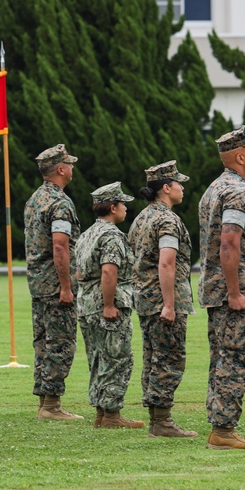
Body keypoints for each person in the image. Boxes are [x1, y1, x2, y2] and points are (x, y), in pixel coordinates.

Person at [198, 125, 245, 450]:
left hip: (215, 289)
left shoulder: (214, 188)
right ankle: (223, 431)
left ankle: (219, 426)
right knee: (237, 358)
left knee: (221, 358)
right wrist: (236, 291)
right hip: (232, 291)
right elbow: (229, 242)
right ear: (240, 155)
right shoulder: (237, 191)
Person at [128, 161, 198, 438]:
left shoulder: (142, 218)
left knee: (153, 357)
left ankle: (157, 417)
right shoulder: (167, 219)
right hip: (163, 300)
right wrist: (169, 305)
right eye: (179, 183)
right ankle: (162, 422)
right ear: (166, 188)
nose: (182, 188)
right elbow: (166, 264)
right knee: (169, 358)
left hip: (145, 298)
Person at [74, 182, 144, 430]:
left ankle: (102, 414)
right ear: (113, 207)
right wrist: (108, 305)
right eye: (123, 204)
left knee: (97, 358)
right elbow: (109, 271)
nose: (126, 208)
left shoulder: (87, 234)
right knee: (117, 358)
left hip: (86, 304)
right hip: (107, 304)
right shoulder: (112, 235)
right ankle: (112, 414)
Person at [24, 144, 84, 421]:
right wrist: (66, 286)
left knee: (44, 342)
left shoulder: (36, 198)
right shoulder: (59, 202)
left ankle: (46, 401)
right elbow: (60, 246)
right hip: (55, 285)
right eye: (69, 164)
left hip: (39, 283)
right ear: (61, 169)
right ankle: (51, 406)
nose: (72, 168)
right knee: (60, 342)